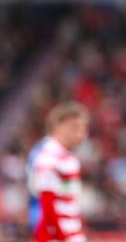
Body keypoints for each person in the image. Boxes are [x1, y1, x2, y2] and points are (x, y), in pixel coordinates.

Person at [27, 102, 90, 242]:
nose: (82, 134)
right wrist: (62, 237)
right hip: (57, 235)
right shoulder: (48, 154)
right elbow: (46, 201)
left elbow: (67, 200)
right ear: (59, 126)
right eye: (76, 128)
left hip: (70, 232)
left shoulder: (65, 155)